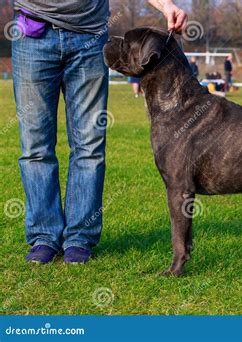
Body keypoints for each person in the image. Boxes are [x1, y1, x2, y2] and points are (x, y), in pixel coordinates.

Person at [12, 0, 187, 264]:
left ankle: (79, 238)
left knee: (89, 144)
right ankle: (44, 236)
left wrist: (165, 5)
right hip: (33, 33)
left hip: (89, 37)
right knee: (35, 145)